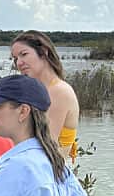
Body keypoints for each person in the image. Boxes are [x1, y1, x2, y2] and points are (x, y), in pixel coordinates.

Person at [11, 30, 80, 162]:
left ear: (43, 51)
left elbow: (46, 145)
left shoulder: (59, 91)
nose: (19, 63)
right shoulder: (37, 91)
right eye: (15, 58)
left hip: (48, 175)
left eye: (24, 54)